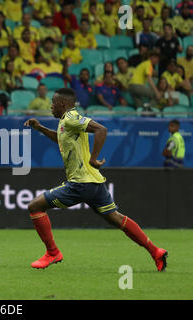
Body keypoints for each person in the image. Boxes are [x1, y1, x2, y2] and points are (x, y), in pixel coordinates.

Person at [23, 88, 168, 272]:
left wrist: (93, 158)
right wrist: (40, 128)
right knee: (117, 218)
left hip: (80, 184)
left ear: (63, 104)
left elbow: (101, 129)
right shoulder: (65, 122)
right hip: (93, 183)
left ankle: (52, 253)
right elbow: (61, 140)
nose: (50, 106)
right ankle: (156, 252)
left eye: (53, 102)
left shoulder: (71, 118)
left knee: (35, 206)